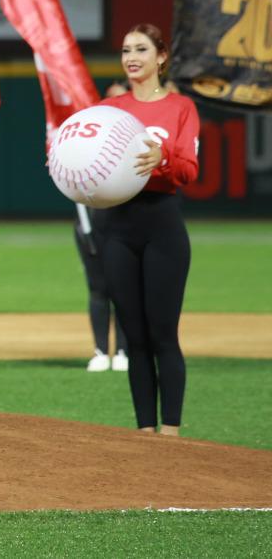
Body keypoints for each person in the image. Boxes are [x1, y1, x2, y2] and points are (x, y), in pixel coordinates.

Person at [100, 24, 199, 434]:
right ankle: (145, 433)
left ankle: (171, 432)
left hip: (162, 224)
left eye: (141, 49)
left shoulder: (180, 108)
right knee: (133, 336)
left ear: (161, 56)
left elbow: (190, 171)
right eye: (125, 50)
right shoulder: (108, 108)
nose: (131, 57)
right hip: (118, 227)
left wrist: (163, 157)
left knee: (163, 333)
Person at [73, 201, 127, 373]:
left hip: (123, 222)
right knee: (98, 288)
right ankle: (101, 352)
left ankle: (123, 351)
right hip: (90, 221)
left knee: (124, 291)